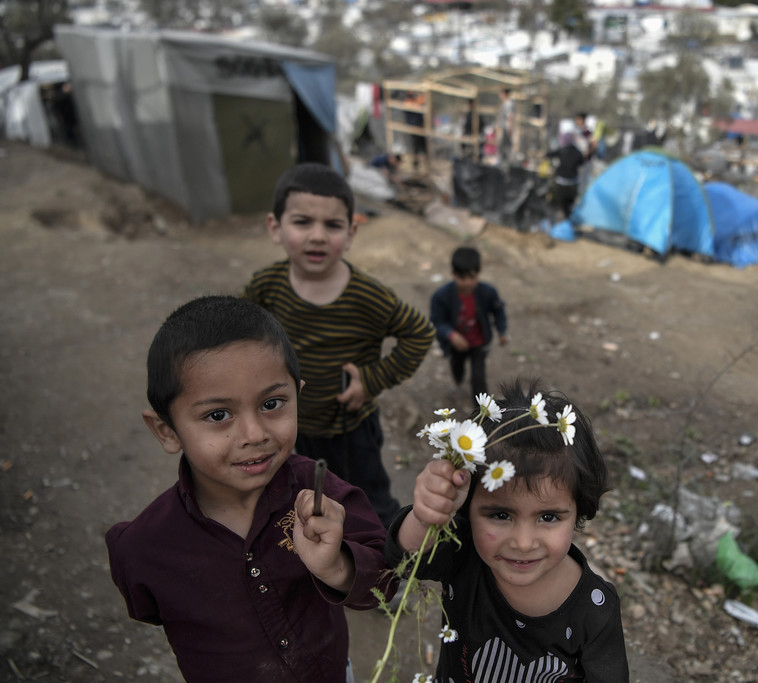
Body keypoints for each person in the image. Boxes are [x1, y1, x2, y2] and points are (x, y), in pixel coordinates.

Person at [105, 295, 394, 683]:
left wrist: (337, 565)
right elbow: (149, 607)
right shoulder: (144, 547)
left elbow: (386, 584)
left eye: (273, 403)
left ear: (298, 396)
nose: (255, 434)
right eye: (218, 415)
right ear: (167, 430)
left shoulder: (322, 498)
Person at [385, 381, 630, 682]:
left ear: (580, 509)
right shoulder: (466, 558)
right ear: (466, 507)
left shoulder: (595, 609)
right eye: (501, 515)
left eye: (548, 517)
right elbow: (405, 558)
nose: (524, 543)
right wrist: (427, 515)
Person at [244, 163, 435, 527]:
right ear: (275, 227)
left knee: (368, 499)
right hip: (295, 423)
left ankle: (387, 561)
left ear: (350, 233)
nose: (317, 236)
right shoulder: (265, 286)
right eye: (302, 222)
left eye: (332, 226)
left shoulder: (368, 296)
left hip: (353, 427)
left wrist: (372, 380)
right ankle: (334, 559)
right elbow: (241, 335)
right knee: (313, 492)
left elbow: (419, 333)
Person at [430, 246, 508, 402]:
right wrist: (451, 335)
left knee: (479, 379)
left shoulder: (487, 292)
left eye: (472, 277)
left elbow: (499, 311)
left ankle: (482, 414)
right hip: (456, 345)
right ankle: (458, 382)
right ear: (453, 274)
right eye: (462, 278)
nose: (467, 282)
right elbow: (437, 321)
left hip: (479, 343)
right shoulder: (441, 296)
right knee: (457, 367)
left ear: (478, 274)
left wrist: (502, 331)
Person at [545, 132, 587, 220]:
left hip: (560, 183)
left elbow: (549, 155)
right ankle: (567, 219)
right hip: (573, 184)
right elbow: (582, 162)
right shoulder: (577, 152)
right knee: (569, 206)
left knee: (559, 202)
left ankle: (559, 219)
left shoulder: (562, 150)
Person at [496, 88, 515, 166]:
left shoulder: (509, 103)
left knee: (506, 146)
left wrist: (509, 129)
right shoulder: (504, 103)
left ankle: (507, 162)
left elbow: (510, 116)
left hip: (506, 128)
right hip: (503, 127)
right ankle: (503, 161)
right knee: (501, 145)